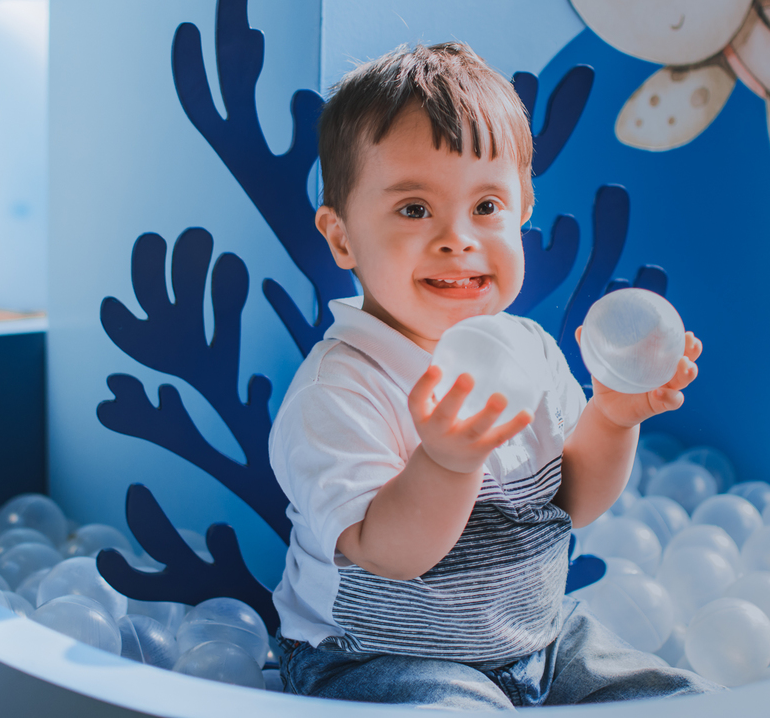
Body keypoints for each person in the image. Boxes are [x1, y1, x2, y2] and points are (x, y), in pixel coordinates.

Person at [269, 42, 719, 709]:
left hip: (538, 639)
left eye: (486, 207)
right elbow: (388, 554)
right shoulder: (340, 390)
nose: (459, 238)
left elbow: (568, 504)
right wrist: (445, 464)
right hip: (377, 656)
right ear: (342, 239)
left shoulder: (528, 351)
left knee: (683, 699)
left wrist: (613, 415)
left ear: (523, 210)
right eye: (414, 209)